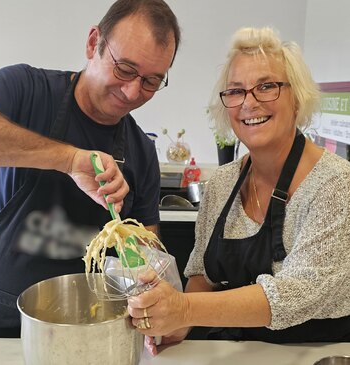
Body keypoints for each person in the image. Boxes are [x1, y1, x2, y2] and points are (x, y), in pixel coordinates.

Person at [127, 26, 350, 355]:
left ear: (298, 98)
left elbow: (298, 291)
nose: (249, 102)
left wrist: (185, 309)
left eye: (267, 86)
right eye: (235, 91)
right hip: (236, 352)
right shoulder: (221, 183)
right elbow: (202, 274)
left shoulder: (335, 182)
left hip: (317, 353)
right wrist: (180, 323)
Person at [0, 0, 181, 337]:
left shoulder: (141, 152)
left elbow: (146, 257)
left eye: (151, 81)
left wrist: (160, 300)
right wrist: (70, 160)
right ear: (94, 43)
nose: (133, 92)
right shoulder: (25, 90)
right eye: (125, 69)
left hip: (89, 329)